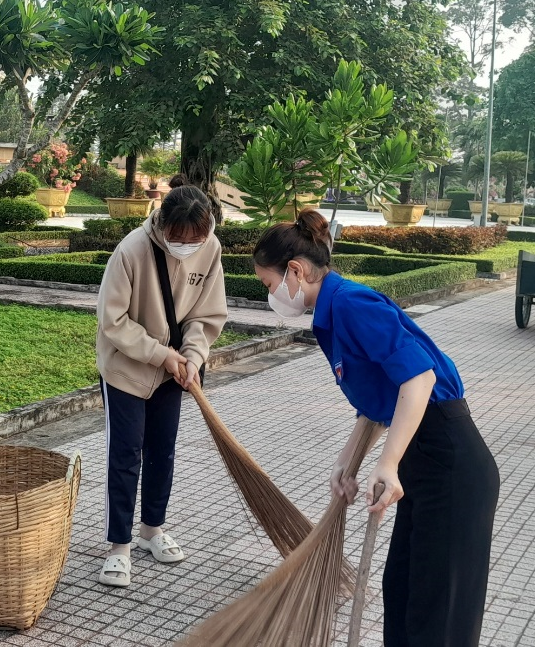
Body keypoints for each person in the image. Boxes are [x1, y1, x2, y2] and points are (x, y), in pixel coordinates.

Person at [252, 209, 499, 646]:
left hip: (451, 463)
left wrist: (387, 462)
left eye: (269, 285)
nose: (271, 295)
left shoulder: (349, 303)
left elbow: (418, 379)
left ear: (295, 270)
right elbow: (378, 405)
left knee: (435, 616)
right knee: (403, 596)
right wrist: (347, 462)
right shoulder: (331, 314)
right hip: (425, 465)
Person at [95, 182, 227, 587]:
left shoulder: (211, 247)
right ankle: (118, 547)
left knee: (162, 451)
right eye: (178, 239)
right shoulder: (131, 250)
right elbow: (112, 321)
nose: (187, 246)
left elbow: (206, 315)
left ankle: (151, 529)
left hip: (175, 370)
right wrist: (161, 354)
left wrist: (192, 356)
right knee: (126, 455)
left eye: (196, 240)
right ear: (162, 224)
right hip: (126, 369)